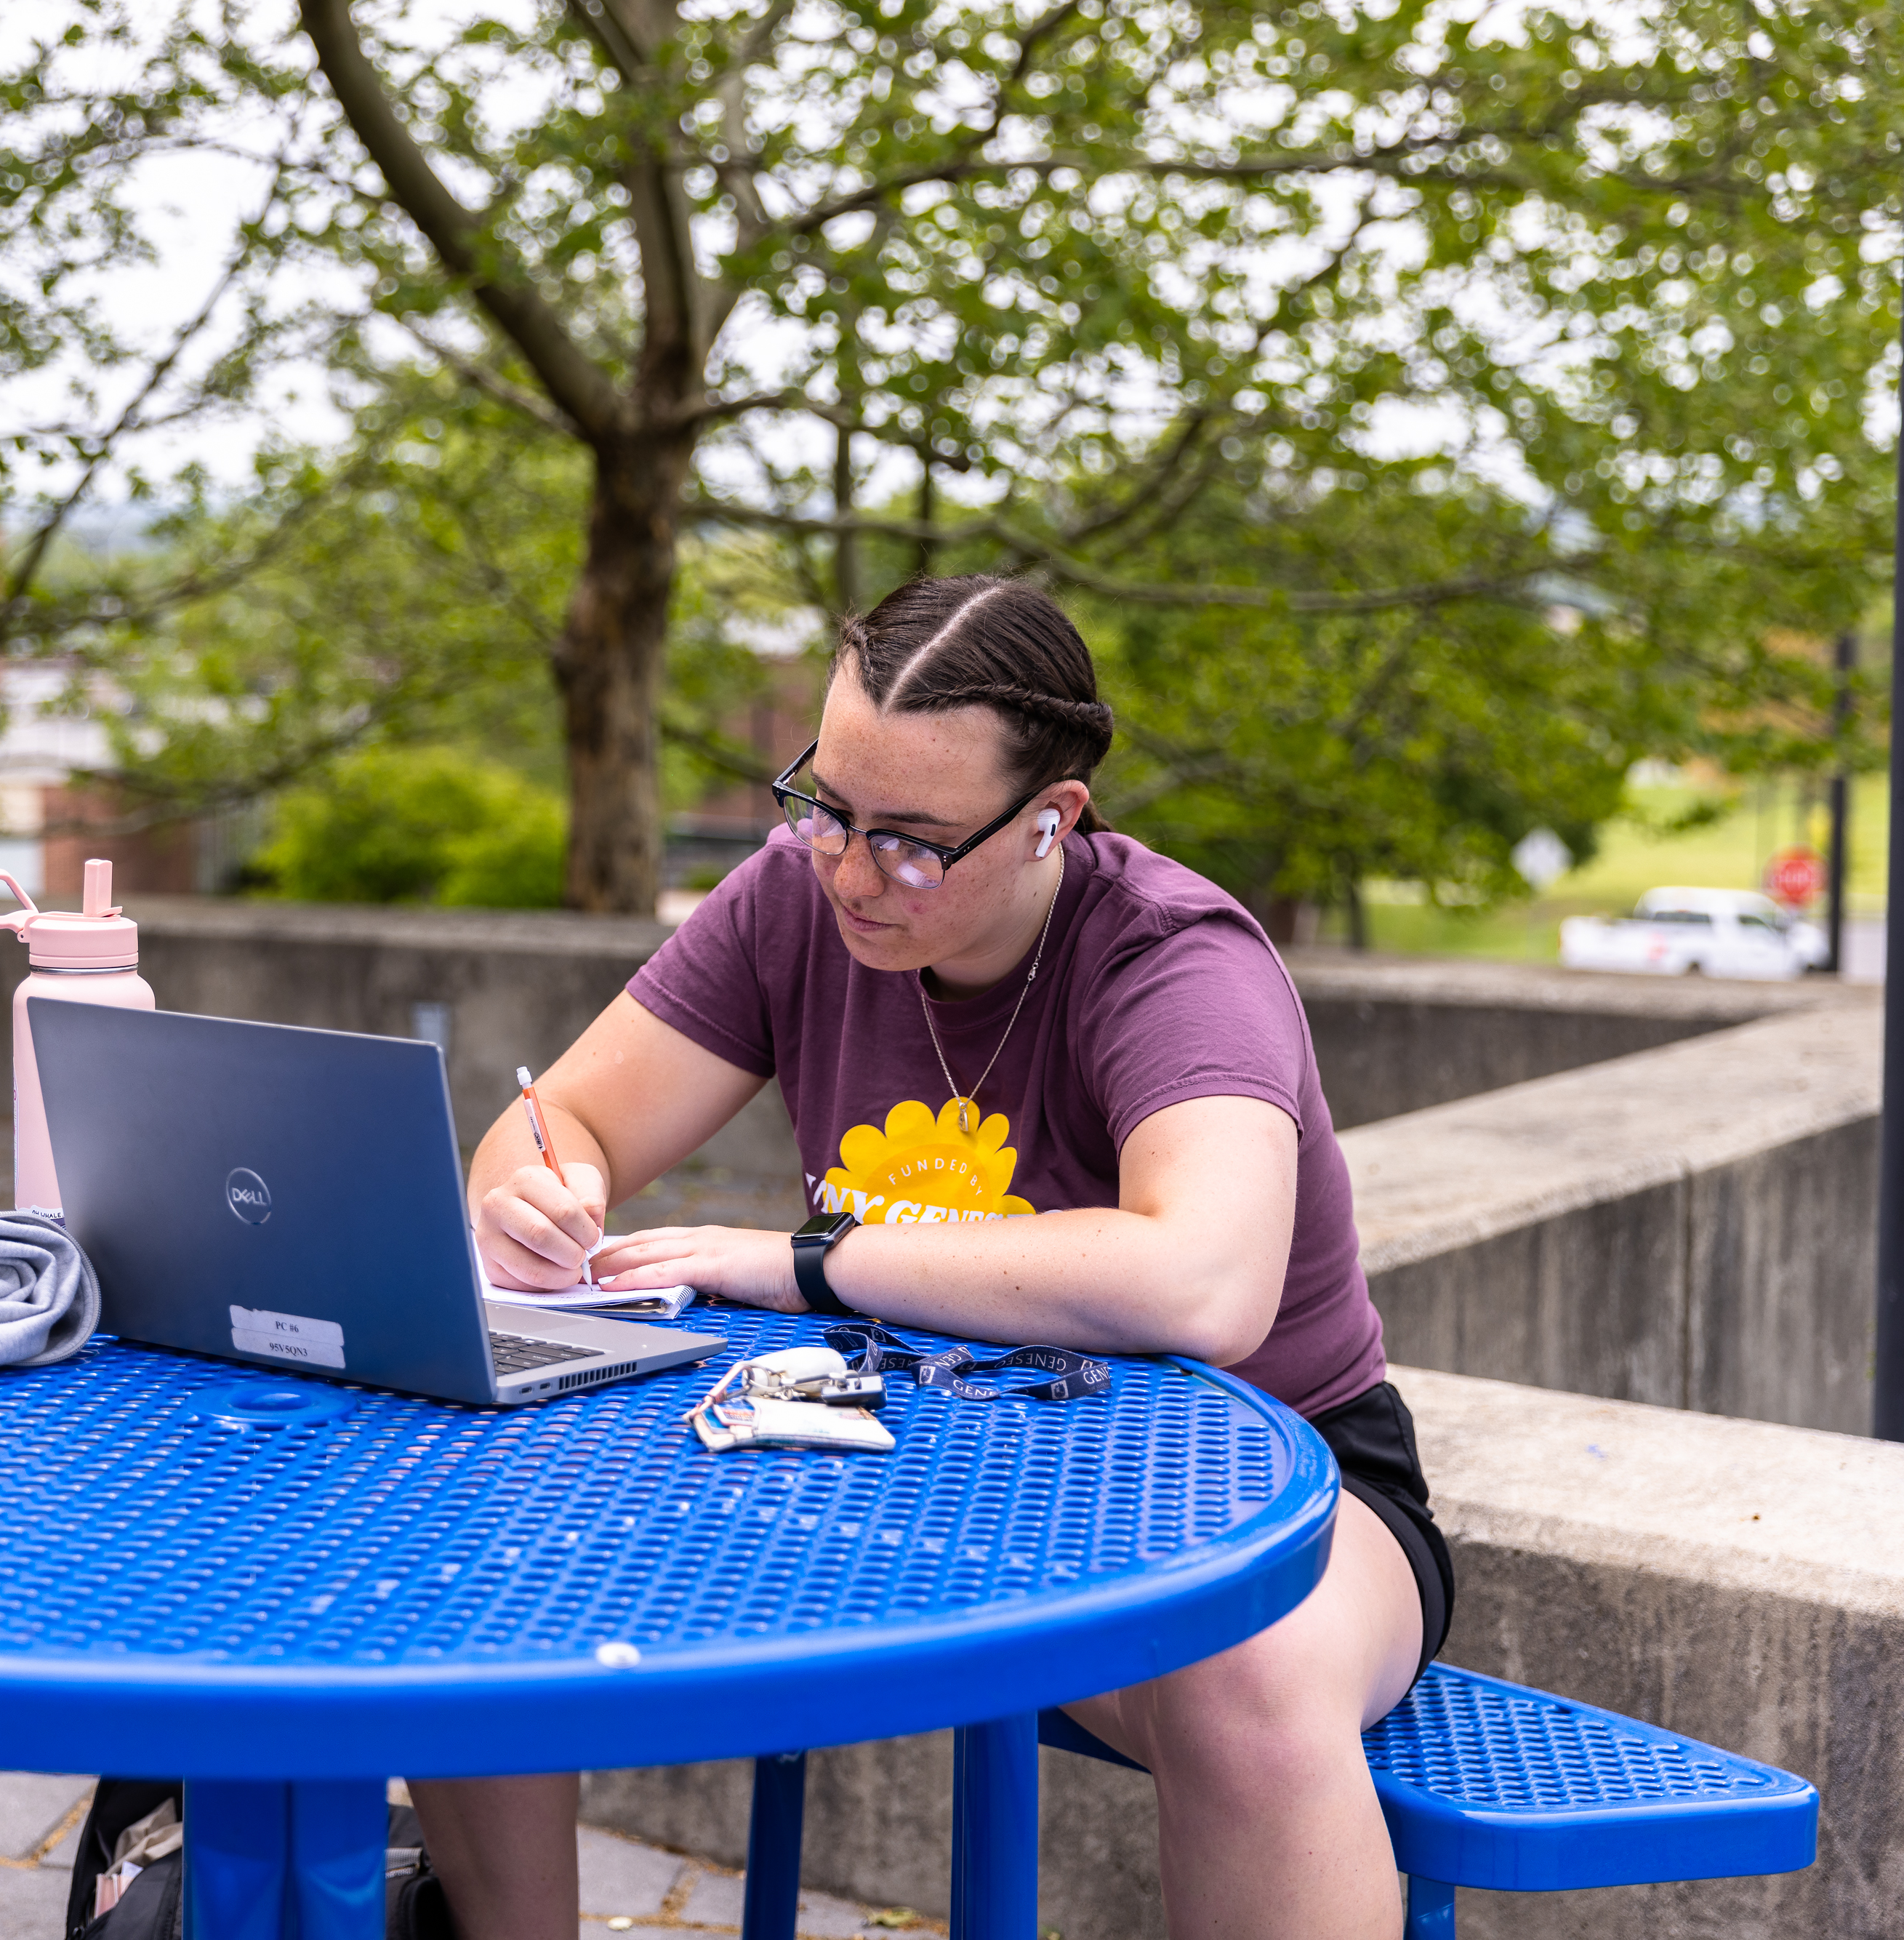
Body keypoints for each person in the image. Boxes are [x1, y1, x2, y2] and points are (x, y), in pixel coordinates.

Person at [405, 575, 1452, 1940]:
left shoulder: (1174, 960)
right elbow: (569, 1116)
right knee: (460, 1519)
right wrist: (540, 1194)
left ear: (1048, 823)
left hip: (1262, 1486)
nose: (846, 867)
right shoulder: (796, 896)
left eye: (910, 841)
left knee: (1239, 1682)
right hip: (899, 1452)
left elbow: (1207, 1282)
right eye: (827, 802)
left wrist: (818, 1262)